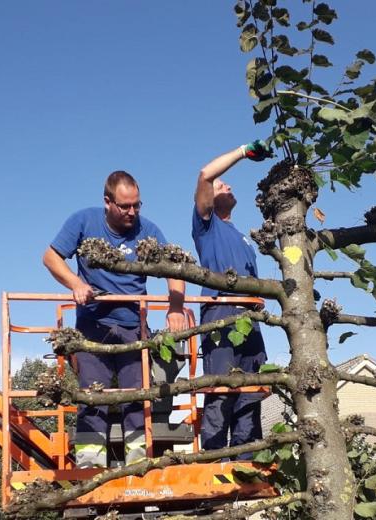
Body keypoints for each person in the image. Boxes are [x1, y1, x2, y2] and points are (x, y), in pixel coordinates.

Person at [43, 171, 186, 468]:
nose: (132, 212)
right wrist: (76, 284)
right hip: (93, 327)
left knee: (137, 397)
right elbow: (51, 257)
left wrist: (174, 306)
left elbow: (176, 270)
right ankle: (89, 468)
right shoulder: (83, 221)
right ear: (107, 202)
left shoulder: (149, 231)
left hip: (134, 326)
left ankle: (137, 466)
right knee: (93, 397)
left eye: (137, 205)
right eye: (125, 206)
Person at [192, 140, 271, 458]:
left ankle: (245, 465)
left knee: (250, 396)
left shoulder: (244, 238)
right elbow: (205, 174)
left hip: (251, 319)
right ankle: (214, 465)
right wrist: (243, 152)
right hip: (221, 312)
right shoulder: (206, 226)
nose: (228, 184)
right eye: (223, 184)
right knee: (222, 393)